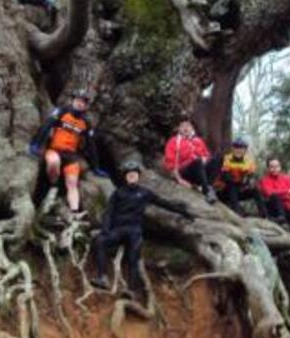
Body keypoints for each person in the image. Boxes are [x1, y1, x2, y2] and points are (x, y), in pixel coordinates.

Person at [91, 161, 195, 295]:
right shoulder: (118, 193)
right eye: (129, 175)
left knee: (133, 256)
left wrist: (183, 211)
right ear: (125, 177)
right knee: (100, 241)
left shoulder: (144, 193)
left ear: (138, 177)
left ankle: (131, 290)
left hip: (134, 230)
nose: (132, 177)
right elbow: (109, 212)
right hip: (118, 229)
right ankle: (103, 277)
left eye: (134, 175)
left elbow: (162, 203)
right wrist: (106, 229)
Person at [30, 89, 107, 214]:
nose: (79, 104)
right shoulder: (62, 112)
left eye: (83, 102)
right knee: (53, 162)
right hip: (54, 150)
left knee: (72, 182)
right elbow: (47, 126)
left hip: (71, 155)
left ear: (86, 106)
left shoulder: (85, 122)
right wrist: (36, 144)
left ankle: (75, 212)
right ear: (73, 101)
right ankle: (53, 186)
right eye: (78, 101)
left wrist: (96, 167)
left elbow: (91, 145)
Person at [163, 119, 218, 204]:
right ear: (179, 129)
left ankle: (208, 185)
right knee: (197, 161)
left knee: (216, 160)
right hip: (184, 172)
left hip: (199, 171)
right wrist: (179, 179)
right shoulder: (174, 141)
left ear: (192, 128)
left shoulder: (198, 141)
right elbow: (170, 163)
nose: (186, 128)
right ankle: (207, 191)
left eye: (188, 126)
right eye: (183, 126)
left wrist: (205, 159)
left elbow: (207, 155)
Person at [258, 158, 290, 242]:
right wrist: (286, 192)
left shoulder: (287, 178)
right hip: (273, 209)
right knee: (275, 197)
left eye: (276, 166)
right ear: (268, 168)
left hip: (287, 207)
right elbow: (269, 193)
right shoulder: (264, 180)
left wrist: (284, 194)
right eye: (272, 167)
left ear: (280, 167)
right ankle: (281, 219)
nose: (274, 169)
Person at [215, 138, 267, 217]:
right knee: (232, 184)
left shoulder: (249, 161)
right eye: (236, 147)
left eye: (241, 148)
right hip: (224, 190)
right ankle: (236, 211)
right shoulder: (226, 158)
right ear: (232, 149)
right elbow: (225, 176)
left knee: (255, 190)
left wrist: (248, 180)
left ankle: (264, 214)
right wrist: (241, 174)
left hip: (239, 190)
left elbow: (250, 176)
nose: (238, 150)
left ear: (245, 150)